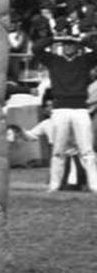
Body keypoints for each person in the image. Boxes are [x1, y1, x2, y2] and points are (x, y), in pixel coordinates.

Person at [30, 31, 97, 192]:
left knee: (87, 150)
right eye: (65, 45)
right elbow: (36, 48)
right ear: (61, 46)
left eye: (71, 44)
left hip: (80, 108)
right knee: (58, 150)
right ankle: (54, 185)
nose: (68, 47)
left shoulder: (84, 61)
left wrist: (82, 40)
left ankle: (94, 184)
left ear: (77, 47)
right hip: (60, 108)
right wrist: (54, 39)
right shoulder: (54, 60)